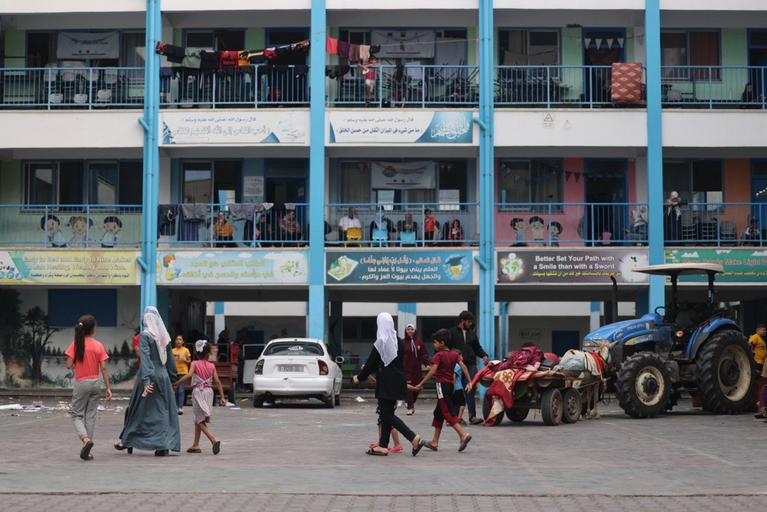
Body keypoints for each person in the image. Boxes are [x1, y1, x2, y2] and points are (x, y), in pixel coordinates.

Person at [353, 312, 426, 456]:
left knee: (386, 414)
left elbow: (371, 363)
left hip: (387, 382)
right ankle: (383, 446)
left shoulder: (381, 342)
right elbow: (384, 362)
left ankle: (413, 437)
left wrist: (359, 377)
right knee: (387, 413)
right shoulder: (397, 341)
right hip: (398, 379)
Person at [115, 306, 181, 457]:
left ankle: (128, 441)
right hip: (163, 376)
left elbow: (146, 360)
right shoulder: (164, 336)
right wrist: (173, 378)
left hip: (149, 376)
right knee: (164, 410)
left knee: (137, 409)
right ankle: (164, 444)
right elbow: (170, 360)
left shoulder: (145, 336)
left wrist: (147, 381)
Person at [415, 329, 472, 452]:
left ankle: (463, 434)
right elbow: (464, 366)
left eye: (435, 342)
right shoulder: (454, 354)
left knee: (447, 412)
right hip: (450, 386)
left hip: (441, 385)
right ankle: (434, 442)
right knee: (439, 413)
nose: (434, 345)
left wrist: (421, 383)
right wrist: (470, 381)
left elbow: (433, 371)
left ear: (442, 343)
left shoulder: (438, 355)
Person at [64, 314, 112, 461]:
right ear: (93, 329)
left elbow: (68, 365)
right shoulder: (98, 345)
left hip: (81, 383)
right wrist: (108, 388)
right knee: (90, 416)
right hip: (95, 383)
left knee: (76, 415)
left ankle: (85, 440)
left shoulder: (76, 344)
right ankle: (88, 451)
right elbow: (103, 368)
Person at [173, 340, 226, 455]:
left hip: (198, 392)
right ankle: (195, 445)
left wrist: (177, 383)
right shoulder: (212, 366)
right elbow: (217, 381)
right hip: (209, 393)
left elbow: (189, 375)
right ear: (208, 354)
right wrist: (222, 397)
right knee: (199, 418)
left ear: (196, 353)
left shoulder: (194, 363)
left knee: (199, 419)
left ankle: (213, 439)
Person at [449, 311, 488, 425]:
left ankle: (472, 416)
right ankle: (455, 417)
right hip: (456, 365)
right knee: (457, 390)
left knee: (470, 388)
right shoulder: (451, 333)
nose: (470, 324)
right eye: (469, 321)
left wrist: (484, 356)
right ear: (462, 321)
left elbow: (477, 348)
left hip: (470, 365)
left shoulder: (472, 334)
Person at [402, 323, 429, 416]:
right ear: (405, 331)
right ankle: (410, 407)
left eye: (411, 329)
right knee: (409, 386)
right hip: (406, 368)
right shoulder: (402, 342)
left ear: (414, 330)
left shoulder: (419, 342)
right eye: (408, 329)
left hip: (417, 368)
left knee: (418, 387)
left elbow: (424, 354)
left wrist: (427, 364)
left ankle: (410, 401)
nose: (410, 331)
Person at [172, 334, 191, 415]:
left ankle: (180, 407)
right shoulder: (172, 351)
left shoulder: (186, 350)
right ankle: (176, 407)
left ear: (183, 341)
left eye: (180, 339)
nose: (178, 341)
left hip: (183, 372)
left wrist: (184, 360)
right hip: (175, 372)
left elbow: (189, 362)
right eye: (177, 339)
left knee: (181, 390)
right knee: (175, 391)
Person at [452, 347, 468, 426]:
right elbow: (454, 376)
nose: (462, 358)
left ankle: (452, 419)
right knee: (462, 404)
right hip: (458, 388)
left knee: (455, 404)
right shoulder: (458, 366)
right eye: (461, 356)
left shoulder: (451, 365)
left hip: (454, 388)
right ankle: (459, 418)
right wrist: (453, 386)